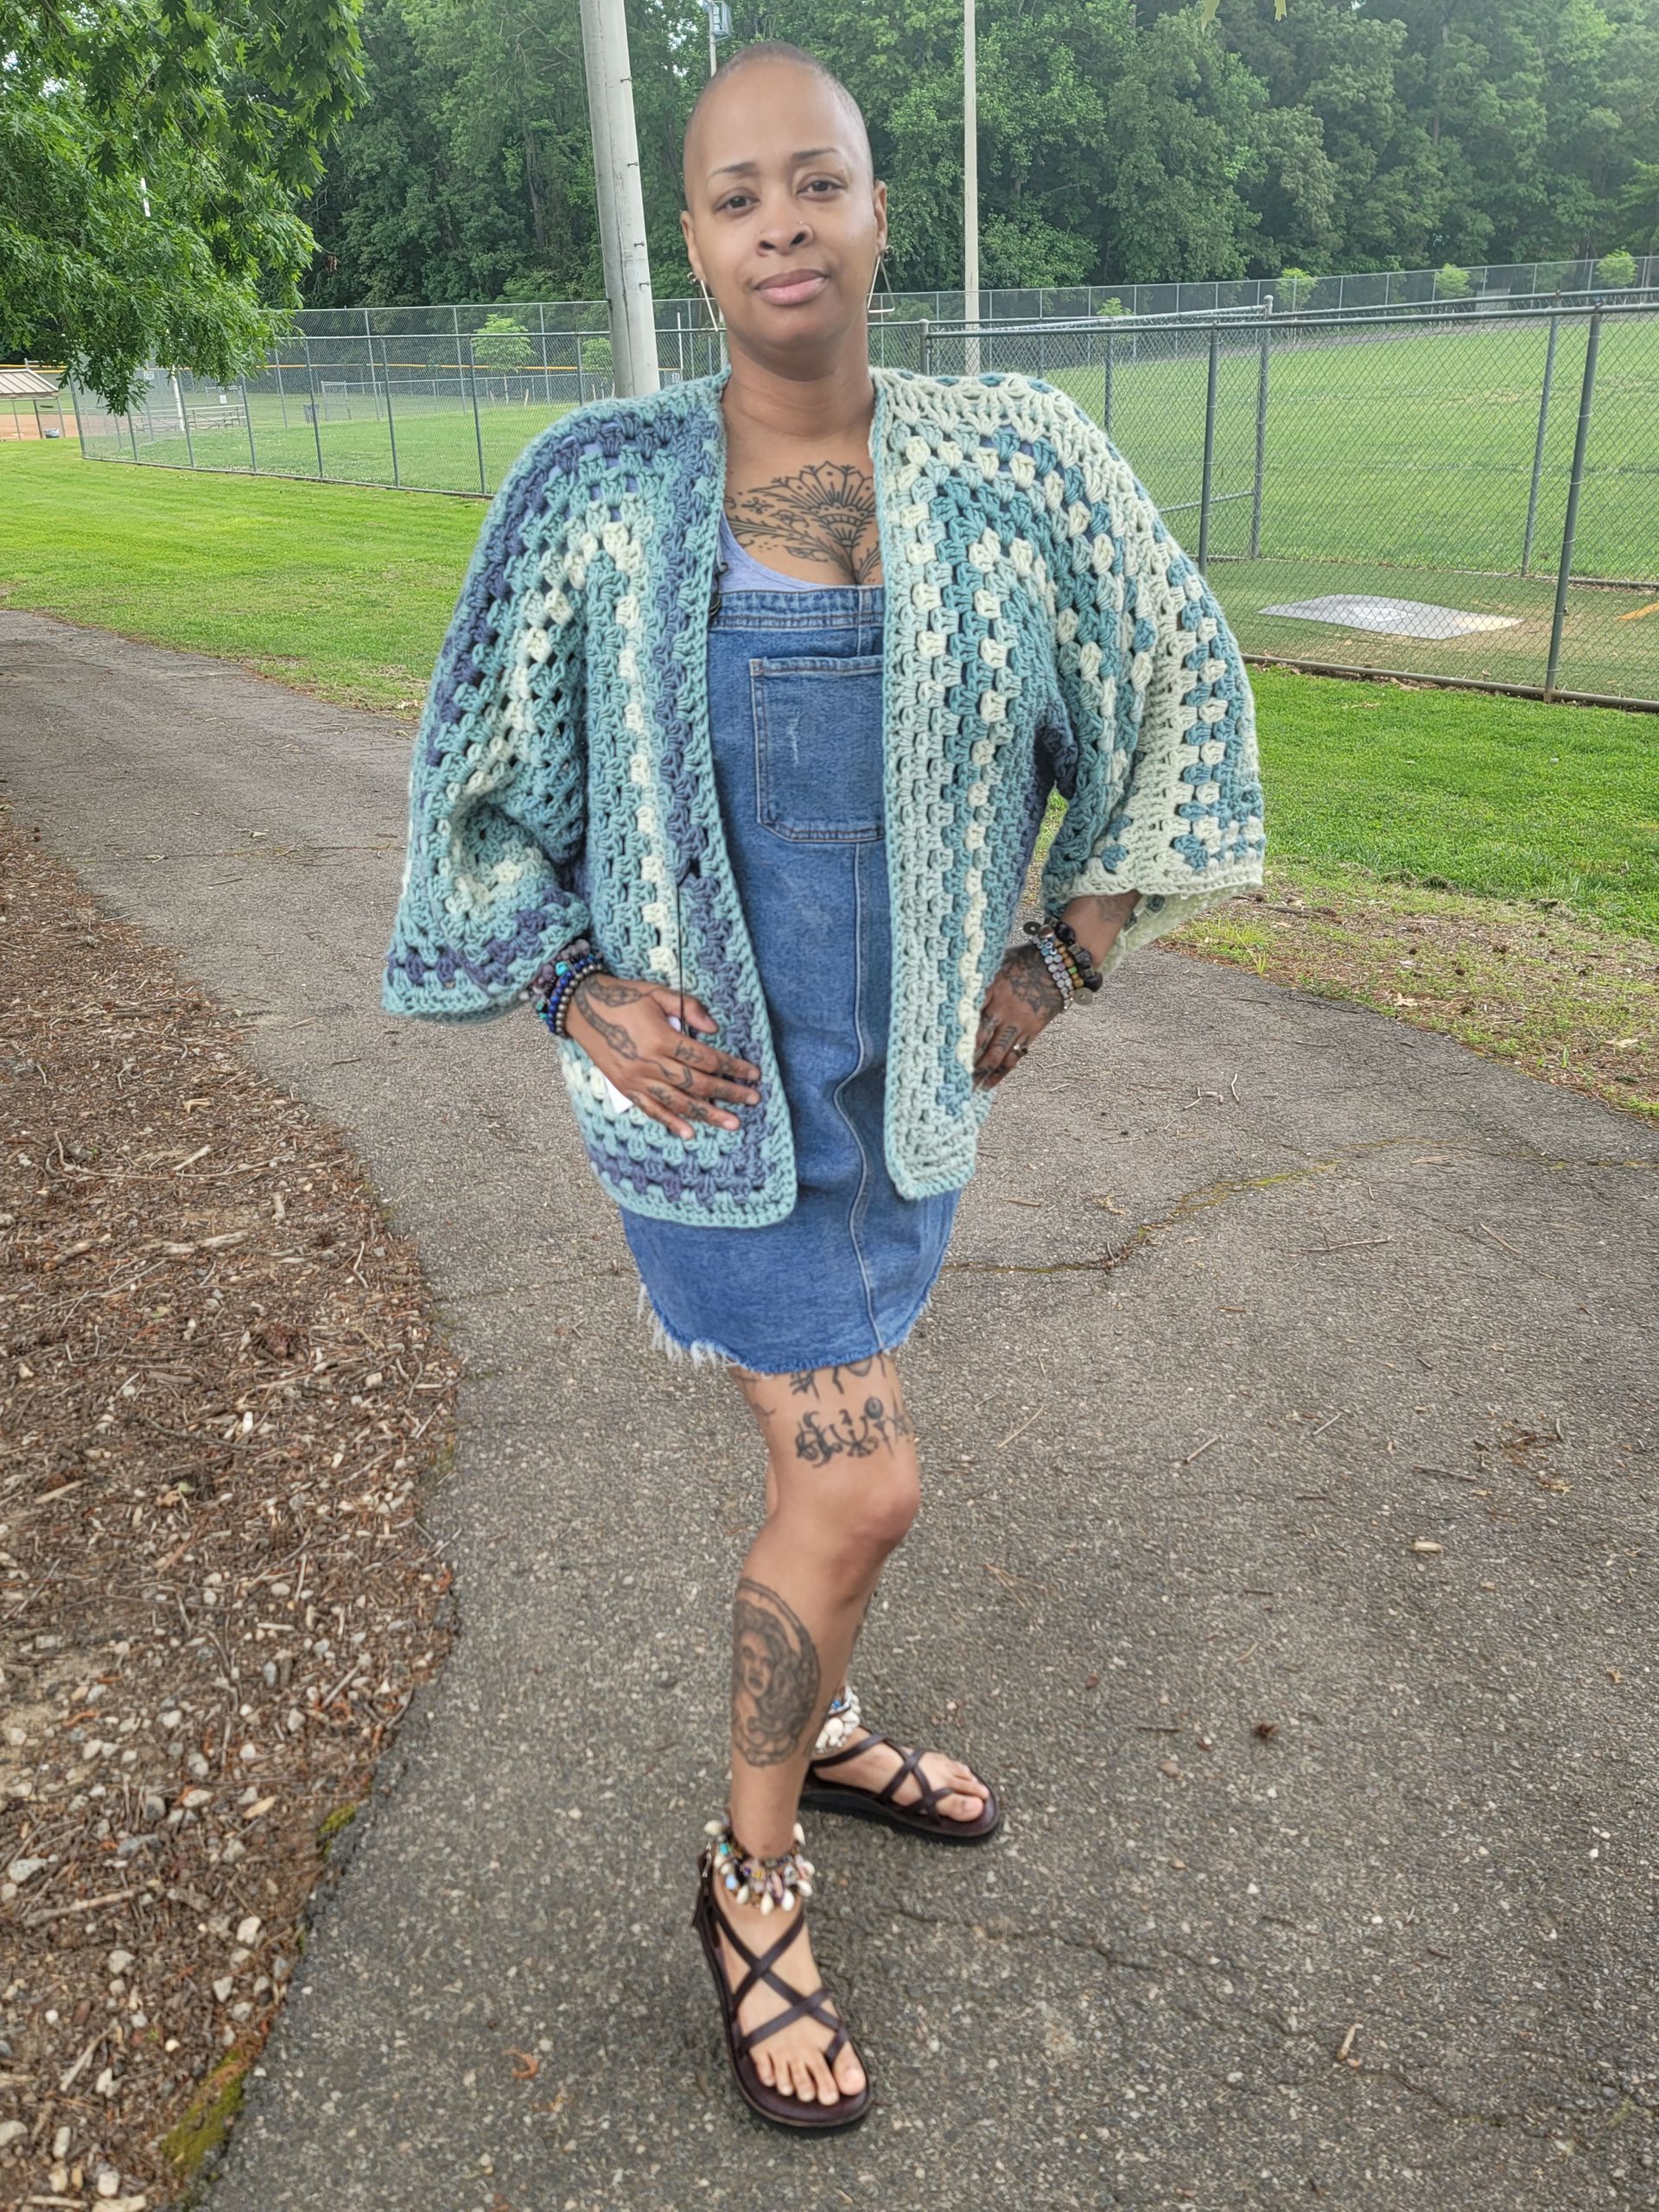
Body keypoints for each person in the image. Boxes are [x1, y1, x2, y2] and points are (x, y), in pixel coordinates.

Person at [381, 40, 1265, 2134]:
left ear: (877, 211)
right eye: (735, 195)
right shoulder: (595, 492)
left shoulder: (1019, 464)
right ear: (695, 243)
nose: (780, 223)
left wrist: (1062, 956)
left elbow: (1181, 691)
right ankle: (749, 1874)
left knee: (819, 1482)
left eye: (817, 182)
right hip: (712, 1125)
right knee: (862, 1484)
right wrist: (575, 992)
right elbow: (475, 809)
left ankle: (829, 1712)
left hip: (905, 1119)